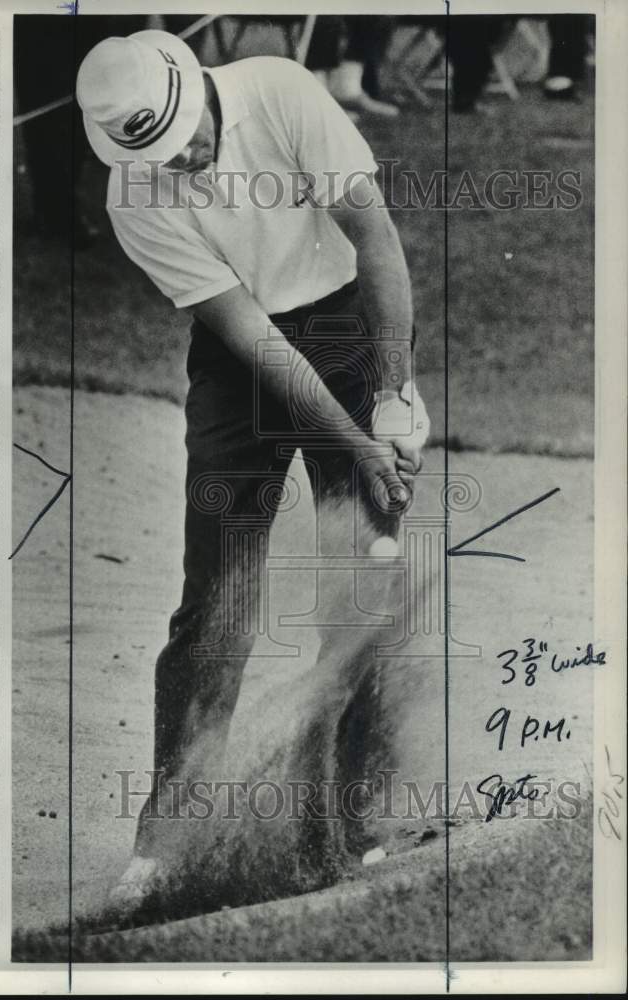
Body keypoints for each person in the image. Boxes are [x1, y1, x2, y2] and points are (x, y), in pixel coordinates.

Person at [76, 28, 430, 915]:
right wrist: (355, 444)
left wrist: (389, 401)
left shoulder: (280, 92)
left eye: (186, 137)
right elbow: (255, 340)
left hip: (349, 321)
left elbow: (378, 243)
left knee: (364, 583)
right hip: (246, 361)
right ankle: (165, 843)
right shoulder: (134, 194)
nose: (182, 158)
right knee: (219, 598)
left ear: (198, 84)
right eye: (158, 152)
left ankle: (358, 818)